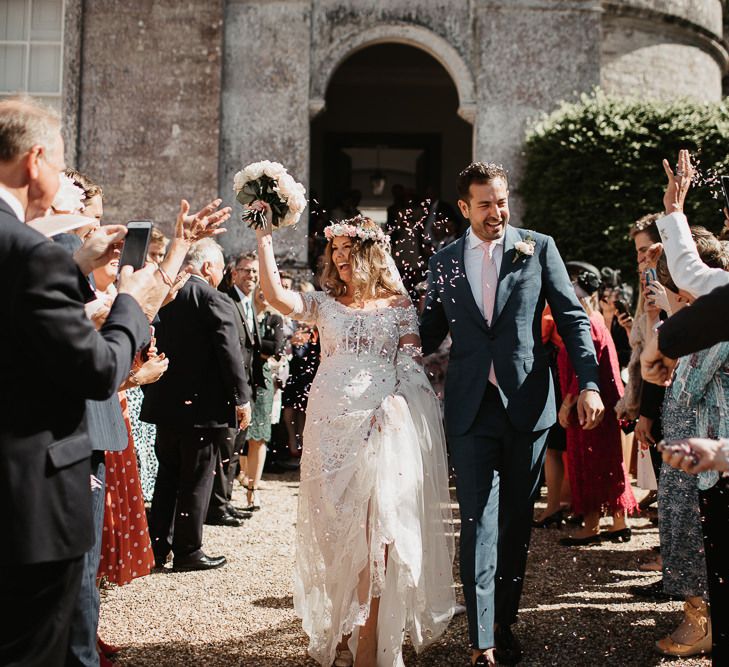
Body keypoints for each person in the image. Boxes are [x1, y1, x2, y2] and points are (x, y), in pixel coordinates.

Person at [0, 97, 194, 666]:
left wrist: (79, 265)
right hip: (26, 499)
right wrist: (133, 306)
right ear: (35, 160)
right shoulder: (30, 253)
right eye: (60, 165)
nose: (60, 177)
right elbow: (98, 369)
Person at [419, 162, 604, 666]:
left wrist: (588, 382)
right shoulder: (444, 261)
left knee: (516, 524)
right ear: (464, 208)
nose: (496, 212)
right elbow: (428, 329)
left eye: (501, 201)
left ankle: (504, 619)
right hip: (470, 407)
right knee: (478, 520)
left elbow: (571, 316)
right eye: (484, 204)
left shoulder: (537, 246)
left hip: (527, 405)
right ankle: (482, 641)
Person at [255, 205, 455, 667]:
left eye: (349, 248)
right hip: (330, 428)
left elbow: (410, 364)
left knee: (378, 534)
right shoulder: (323, 304)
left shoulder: (400, 306)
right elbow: (275, 296)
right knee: (337, 535)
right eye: (335, 249)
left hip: (382, 426)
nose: (340, 257)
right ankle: (348, 627)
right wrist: (265, 240)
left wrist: (397, 404)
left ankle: (371, 647)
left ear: (370, 253)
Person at [142, 238, 251, 571]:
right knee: (197, 479)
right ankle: (189, 551)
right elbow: (229, 353)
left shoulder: (163, 294)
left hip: (165, 401)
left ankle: (158, 547)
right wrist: (241, 397)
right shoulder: (212, 298)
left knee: (167, 476)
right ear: (207, 267)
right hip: (202, 408)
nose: (220, 276)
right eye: (218, 269)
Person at [557, 267, 637, 546]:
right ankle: (618, 522)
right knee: (610, 461)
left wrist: (567, 402)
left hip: (589, 404)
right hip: (607, 401)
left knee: (588, 461)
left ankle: (591, 525)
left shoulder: (586, 323)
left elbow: (583, 366)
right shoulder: (598, 320)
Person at [219, 251, 263, 513]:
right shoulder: (227, 301)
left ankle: (227, 501)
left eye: (255, 272)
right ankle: (221, 504)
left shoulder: (250, 304)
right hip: (233, 390)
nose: (251, 276)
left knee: (236, 449)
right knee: (227, 449)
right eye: (246, 270)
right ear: (234, 273)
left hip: (248, 388)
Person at [244, 284, 285, 511]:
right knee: (241, 437)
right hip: (242, 379)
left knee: (258, 437)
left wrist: (252, 346)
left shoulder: (274, 319)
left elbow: (276, 348)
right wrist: (259, 348)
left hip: (263, 381)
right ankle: (241, 476)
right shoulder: (245, 312)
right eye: (260, 288)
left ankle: (253, 490)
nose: (263, 293)